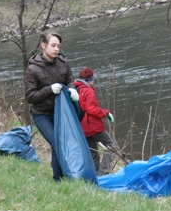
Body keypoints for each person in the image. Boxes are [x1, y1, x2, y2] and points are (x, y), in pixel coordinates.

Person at [24, 32, 79, 181]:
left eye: (58, 46)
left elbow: (70, 80)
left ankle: (69, 175)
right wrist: (49, 89)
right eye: (53, 45)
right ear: (43, 45)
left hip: (60, 112)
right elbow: (30, 97)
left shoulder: (63, 63)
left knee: (66, 143)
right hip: (41, 114)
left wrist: (72, 88)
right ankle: (58, 180)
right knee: (56, 144)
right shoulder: (32, 69)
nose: (56, 49)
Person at [74, 68, 115, 176]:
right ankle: (104, 173)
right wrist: (106, 113)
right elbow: (91, 109)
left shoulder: (77, 89)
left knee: (93, 153)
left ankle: (95, 176)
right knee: (111, 146)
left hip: (82, 126)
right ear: (91, 79)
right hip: (92, 125)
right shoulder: (88, 91)